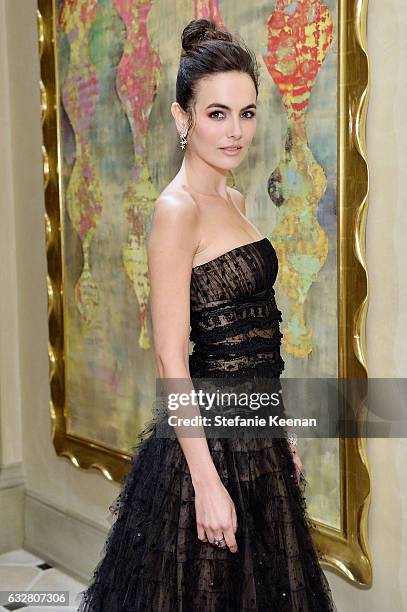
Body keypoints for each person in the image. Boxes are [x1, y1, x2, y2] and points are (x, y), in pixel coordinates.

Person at [76, 18, 337, 612]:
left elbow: (256, 336)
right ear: (181, 117)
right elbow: (173, 356)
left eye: (246, 113)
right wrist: (206, 483)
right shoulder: (177, 211)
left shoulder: (235, 199)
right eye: (217, 113)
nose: (236, 131)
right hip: (205, 445)